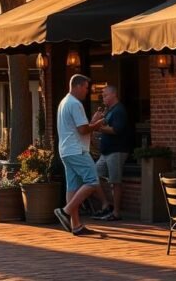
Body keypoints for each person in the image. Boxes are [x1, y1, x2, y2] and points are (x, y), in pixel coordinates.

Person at [53, 74, 109, 237]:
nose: (86, 91)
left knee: (73, 187)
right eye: (85, 87)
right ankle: (65, 211)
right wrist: (98, 124)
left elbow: (80, 127)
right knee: (92, 180)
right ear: (77, 86)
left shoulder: (64, 102)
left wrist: (93, 121)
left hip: (66, 150)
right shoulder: (75, 104)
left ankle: (76, 225)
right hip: (77, 150)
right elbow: (83, 130)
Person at [94, 84, 130, 221]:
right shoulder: (109, 110)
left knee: (115, 182)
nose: (103, 97)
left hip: (116, 150)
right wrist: (97, 122)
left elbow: (116, 130)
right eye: (102, 95)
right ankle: (106, 205)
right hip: (106, 152)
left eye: (105, 95)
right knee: (93, 176)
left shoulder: (119, 110)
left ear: (114, 95)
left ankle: (116, 213)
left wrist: (99, 128)